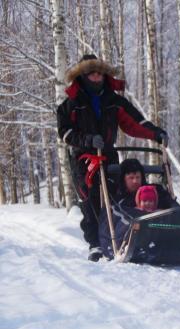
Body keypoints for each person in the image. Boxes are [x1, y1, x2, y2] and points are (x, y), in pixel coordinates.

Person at [57, 54, 168, 262]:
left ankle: (118, 236)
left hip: (107, 155)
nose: (97, 77)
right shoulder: (71, 103)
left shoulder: (113, 100)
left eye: (100, 73)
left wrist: (156, 134)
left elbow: (136, 123)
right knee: (90, 199)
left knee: (115, 196)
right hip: (83, 158)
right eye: (92, 73)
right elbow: (64, 132)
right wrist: (88, 140)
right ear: (83, 75)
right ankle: (95, 244)